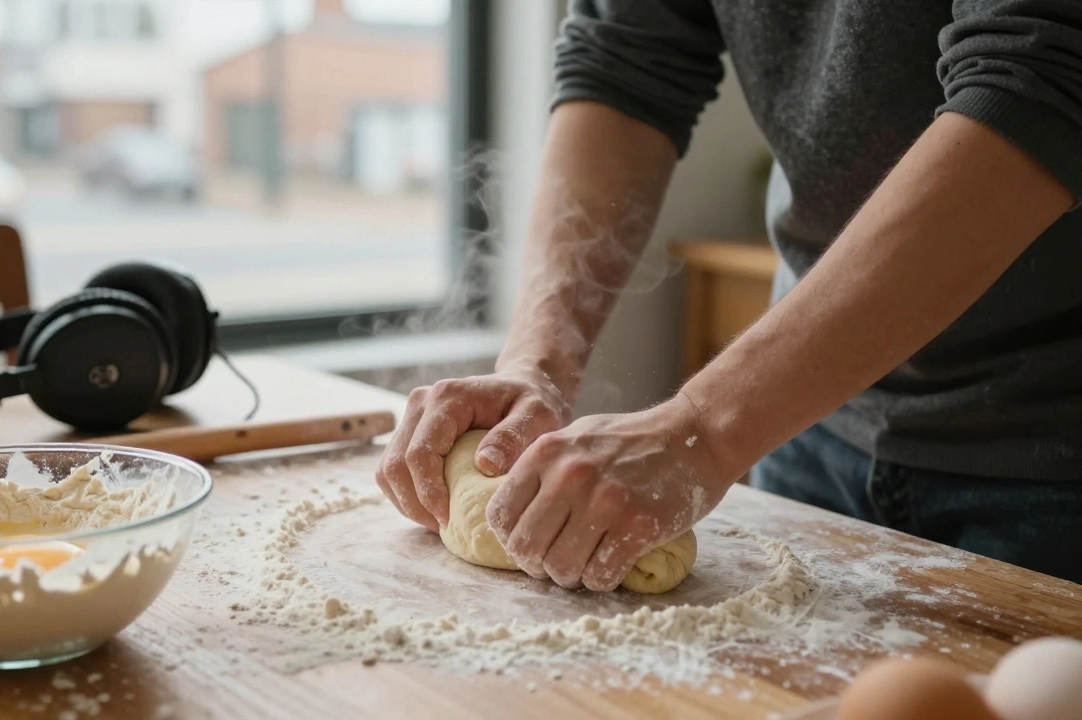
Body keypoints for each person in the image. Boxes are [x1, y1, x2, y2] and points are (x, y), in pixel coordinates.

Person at [376, 0, 1082, 588]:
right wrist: (536, 363)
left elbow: (1037, 82)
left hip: (1052, 448)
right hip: (808, 420)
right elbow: (624, 64)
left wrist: (707, 431)